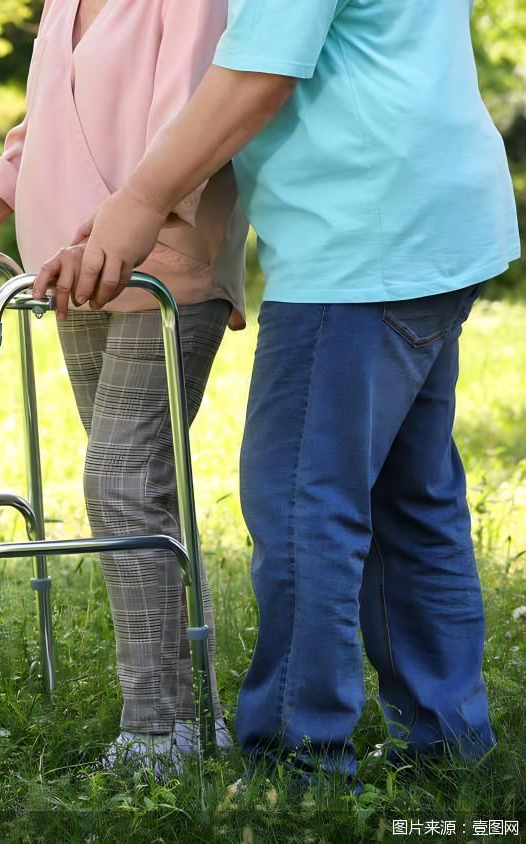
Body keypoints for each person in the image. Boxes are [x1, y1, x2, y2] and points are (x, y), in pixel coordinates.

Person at [32, 0, 520, 784]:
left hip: (358, 239)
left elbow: (259, 72)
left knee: (302, 505)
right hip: (438, 220)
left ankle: (300, 765)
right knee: (411, 498)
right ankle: (446, 747)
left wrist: (141, 200)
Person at [0, 0, 246, 772]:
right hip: (67, 271)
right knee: (135, 496)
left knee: (122, 484)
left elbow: (196, 114)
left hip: (163, 268)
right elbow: (39, 136)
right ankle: (193, 718)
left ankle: (158, 732)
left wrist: (110, 237)